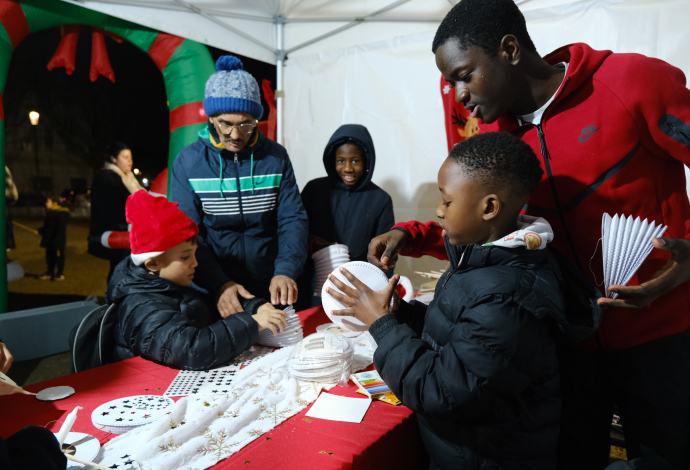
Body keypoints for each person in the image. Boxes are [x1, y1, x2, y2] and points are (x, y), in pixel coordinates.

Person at [367, 1, 690, 468]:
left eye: (464, 76)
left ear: (510, 49)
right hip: (568, 348)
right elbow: (494, 232)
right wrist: (411, 234)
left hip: (659, 337)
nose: (458, 95)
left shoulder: (631, 82)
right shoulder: (497, 145)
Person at [330, 133, 596, 469]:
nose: (438, 211)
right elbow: (454, 336)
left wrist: (382, 325)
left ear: (489, 207)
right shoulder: (481, 261)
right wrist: (399, 313)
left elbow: (444, 392)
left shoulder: (508, 298)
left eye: (447, 201)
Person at [171, 55, 308, 317]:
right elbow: (187, 233)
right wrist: (218, 284)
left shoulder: (276, 157)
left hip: (270, 282)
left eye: (245, 124)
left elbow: (292, 219)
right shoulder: (188, 162)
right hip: (213, 288)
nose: (235, 135)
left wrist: (286, 270)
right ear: (211, 118)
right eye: (226, 124)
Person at [108, 190, 289, 370]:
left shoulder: (168, 285)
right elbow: (190, 349)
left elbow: (217, 310)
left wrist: (255, 308)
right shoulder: (141, 305)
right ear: (153, 263)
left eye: (194, 255)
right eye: (185, 257)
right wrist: (253, 323)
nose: (195, 263)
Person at [297, 124, 394, 308]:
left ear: (367, 161)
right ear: (332, 161)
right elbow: (295, 231)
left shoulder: (380, 199)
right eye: (341, 161)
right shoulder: (314, 190)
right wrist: (314, 242)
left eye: (355, 161)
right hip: (310, 287)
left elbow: (386, 254)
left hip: (355, 292)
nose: (348, 168)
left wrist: (379, 294)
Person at [89, 142, 145, 283]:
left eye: (130, 158)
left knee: (126, 271)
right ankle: (116, 295)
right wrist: (130, 225)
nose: (129, 161)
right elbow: (110, 210)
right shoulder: (107, 178)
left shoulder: (129, 178)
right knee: (121, 271)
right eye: (125, 157)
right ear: (113, 158)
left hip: (129, 233)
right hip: (116, 234)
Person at [37, 196, 69, 281]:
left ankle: (60, 273)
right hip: (50, 241)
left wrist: (43, 231)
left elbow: (54, 228)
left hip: (57, 241)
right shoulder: (52, 213)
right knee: (49, 257)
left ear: (54, 203)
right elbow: (49, 227)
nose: (46, 204)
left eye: (48, 202)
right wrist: (40, 231)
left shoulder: (60, 214)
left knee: (59, 258)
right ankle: (49, 272)